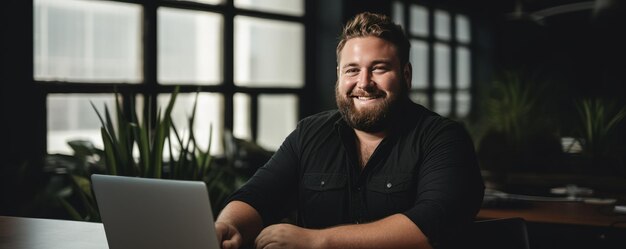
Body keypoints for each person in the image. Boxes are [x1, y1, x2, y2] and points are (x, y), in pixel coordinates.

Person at [215, 12, 484, 249]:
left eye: (379, 68)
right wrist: (230, 226)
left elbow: (434, 222)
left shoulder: (444, 138)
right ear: (339, 75)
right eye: (352, 70)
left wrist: (317, 242)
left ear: (406, 75)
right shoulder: (310, 133)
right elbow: (258, 195)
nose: (364, 83)